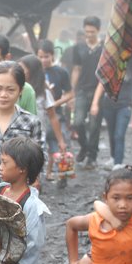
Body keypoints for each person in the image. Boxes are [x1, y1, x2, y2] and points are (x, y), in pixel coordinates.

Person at [89, 57, 132, 170]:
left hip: (125, 106)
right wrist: (94, 103)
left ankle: (118, 163)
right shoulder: (110, 67)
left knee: (119, 135)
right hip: (109, 105)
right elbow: (101, 86)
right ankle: (113, 157)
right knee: (111, 133)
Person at [18, 55, 66, 179]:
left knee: (34, 171)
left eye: (23, 69)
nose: (19, 72)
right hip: (18, 137)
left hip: (37, 138)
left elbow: (53, 117)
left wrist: (61, 141)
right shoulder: (15, 90)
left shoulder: (43, 93)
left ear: (32, 71)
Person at [71, 16, 104, 168]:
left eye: (92, 32)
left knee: (94, 125)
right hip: (82, 90)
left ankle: (92, 156)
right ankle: (84, 146)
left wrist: (96, 102)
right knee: (77, 122)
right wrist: (71, 92)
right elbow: (76, 69)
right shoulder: (79, 47)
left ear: (98, 30)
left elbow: (105, 75)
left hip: (99, 90)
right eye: (87, 32)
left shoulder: (104, 48)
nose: (89, 34)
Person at [37, 39, 74, 177]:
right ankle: (44, 173)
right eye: (40, 57)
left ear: (52, 55)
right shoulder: (34, 73)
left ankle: (59, 173)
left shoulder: (61, 72)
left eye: (46, 56)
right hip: (38, 114)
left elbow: (70, 93)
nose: (43, 60)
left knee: (59, 144)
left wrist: (55, 103)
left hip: (56, 114)